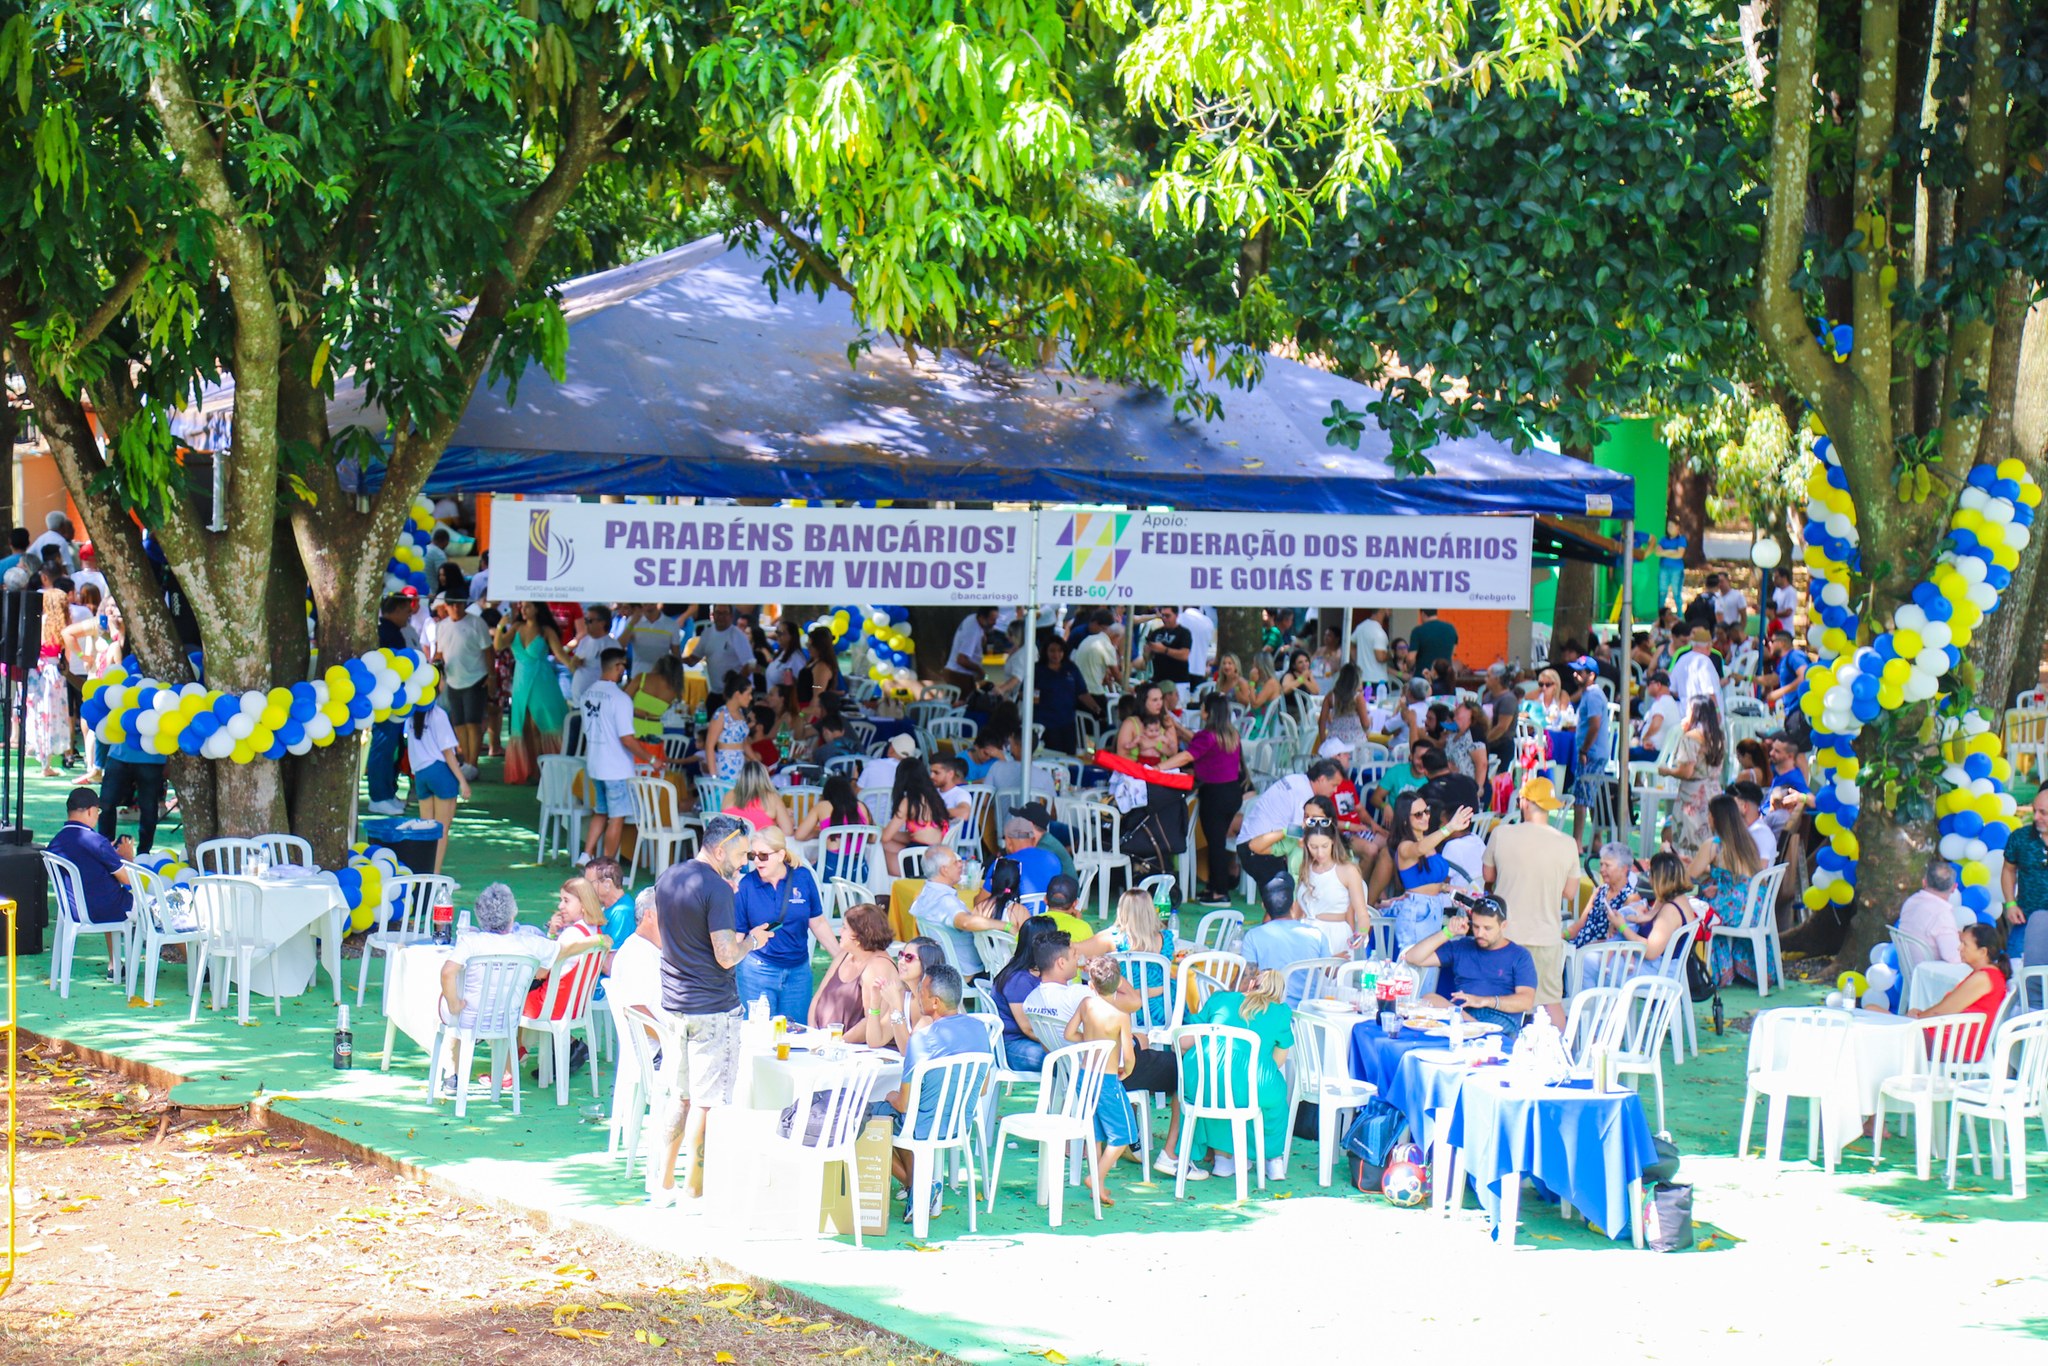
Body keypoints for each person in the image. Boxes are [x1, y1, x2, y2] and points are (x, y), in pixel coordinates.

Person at [649, 815, 767, 1206]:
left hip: (675, 1003)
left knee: (680, 1096)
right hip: (712, 1008)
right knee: (707, 1102)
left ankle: (663, 1185)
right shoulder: (717, 887)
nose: (746, 862)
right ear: (719, 849)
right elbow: (726, 955)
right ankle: (693, 1191)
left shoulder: (669, 877)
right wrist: (751, 940)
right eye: (740, 854)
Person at [878, 964, 990, 1216]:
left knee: (867, 1121)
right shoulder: (980, 1030)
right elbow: (982, 1088)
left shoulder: (922, 1040)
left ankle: (917, 1186)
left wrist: (889, 1096)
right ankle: (920, 1187)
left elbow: (904, 1104)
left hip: (921, 1126)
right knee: (899, 1117)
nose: (918, 995)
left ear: (936, 1002)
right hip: (959, 1124)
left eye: (922, 992)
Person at [1480, 776, 1577, 1026]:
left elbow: (1488, 877)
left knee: (1497, 1001)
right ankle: (1561, 1057)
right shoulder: (1567, 843)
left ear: (1524, 802)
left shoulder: (1501, 833)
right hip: (1546, 936)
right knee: (1550, 1002)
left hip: (1504, 936)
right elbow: (1570, 892)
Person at [1183, 965, 1294, 1182]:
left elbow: (1190, 1033)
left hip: (1207, 1075)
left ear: (1252, 984)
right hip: (1255, 1081)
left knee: (1218, 1092)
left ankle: (1223, 1159)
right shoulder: (1281, 1012)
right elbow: (1278, 1061)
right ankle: (1273, 1161)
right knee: (1274, 1101)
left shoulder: (1220, 999)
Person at [731, 827, 836, 1019]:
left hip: (798, 971)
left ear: (780, 855)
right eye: (753, 855)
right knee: (758, 1037)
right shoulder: (746, 885)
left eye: (763, 856)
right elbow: (738, 935)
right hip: (757, 970)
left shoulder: (803, 877)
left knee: (796, 1036)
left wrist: (840, 958)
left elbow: (818, 922)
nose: (756, 861)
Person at [1403, 894, 1537, 1041]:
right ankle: (1474, 1032)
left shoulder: (1519, 955)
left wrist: (1484, 1001)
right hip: (1463, 1017)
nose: (1480, 933)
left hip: (1500, 1022)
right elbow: (1413, 958)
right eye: (1476, 926)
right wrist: (1448, 932)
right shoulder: (1463, 946)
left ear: (1503, 925)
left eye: (1487, 928)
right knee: (1429, 998)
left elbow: (1526, 1001)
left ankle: (1478, 1034)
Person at [1062, 955, 1140, 1207]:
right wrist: (1126, 1071)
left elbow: (1069, 1033)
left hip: (1085, 1077)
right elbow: (1128, 1056)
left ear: (1091, 985)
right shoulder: (1120, 1016)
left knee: (1095, 1133)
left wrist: (1089, 1040)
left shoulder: (1086, 1004)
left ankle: (1098, 1183)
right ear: (1118, 986)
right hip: (1107, 1080)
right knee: (1124, 1135)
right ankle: (1096, 1177)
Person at [578, 648, 663, 865]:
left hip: (595, 763)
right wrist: (652, 759)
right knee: (616, 817)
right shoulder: (621, 698)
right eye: (623, 666)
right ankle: (606, 865)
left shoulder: (586, 694)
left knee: (600, 812)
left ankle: (586, 854)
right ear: (618, 667)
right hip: (616, 767)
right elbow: (627, 739)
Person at [1879, 923, 2008, 1061]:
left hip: (1953, 1046)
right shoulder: (1987, 975)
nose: (1959, 948)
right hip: (1949, 1040)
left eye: (1965, 944)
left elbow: (1942, 1011)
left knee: (1879, 1021)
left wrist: (1917, 1017)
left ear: (1983, 952)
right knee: (1877, 1015)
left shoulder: (1983, 978)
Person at [47, 787, 135, 974]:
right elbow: (128, 879)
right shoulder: (97, 841)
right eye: (98, 811)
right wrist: (127, 858)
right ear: (90, 811)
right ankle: (194, 963)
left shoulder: (55, 842)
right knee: (157, 908)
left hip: (73, 910)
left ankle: (114, 964)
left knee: (108, 893)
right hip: (105, 909)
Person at [1688, 794, 1772, 987]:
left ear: (1716, 818)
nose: (1707, 818)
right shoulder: (1746, 840)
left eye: (1709, 814)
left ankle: (1711, 971)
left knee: (1701, 910)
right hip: (1756, 907)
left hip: (1739, 911)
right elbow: (1736, 875)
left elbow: (1688, 877)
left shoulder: (1713, 844)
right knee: (1709, 901)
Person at [1234, 760, 1344, 896]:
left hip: (1255, 843)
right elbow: (1301, 835)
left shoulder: (1297, 780)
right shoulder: (1304, 795)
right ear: (1321, 779)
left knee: (1279, 905)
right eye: (1334, 785)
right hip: (1259, 849)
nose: (1335, 790)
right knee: (1282, 901)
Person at [1383, 793, 1474, 952]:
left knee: (1430, 969)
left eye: (1427, 811)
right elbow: (1419, 849)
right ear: (1405, 819)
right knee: (1416, 970)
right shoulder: (1405, 847)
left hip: (1434, 908)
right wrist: (1450, 827)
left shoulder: (1428, 843)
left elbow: (1428, 881)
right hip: (1416, 910)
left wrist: (1447, 888)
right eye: (1418, 814)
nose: (1425, 817)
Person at [809, 902, 905, 1046]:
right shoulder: (844, 955)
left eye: (845, 928)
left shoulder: (878, 966)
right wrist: (812, 1033)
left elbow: (871, 1020)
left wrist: (837, 1043)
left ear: (860, 935)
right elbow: (818, 997)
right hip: (820, 1042)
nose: (840, 931)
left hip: (851, 1049)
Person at [494, 601, 569, 786]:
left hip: (541, 680)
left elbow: (559, 653)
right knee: (523, 726)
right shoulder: (517, 627)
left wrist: (574, 666)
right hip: (521, 680)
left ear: (537, 608)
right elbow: (499, 645)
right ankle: (531, 769)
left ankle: (548, 769)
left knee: (542, 725)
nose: (523, 610)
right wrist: (500, 626)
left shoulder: (546, 631)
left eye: (527, 606)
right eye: (522, 607)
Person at [908, 846, 1006, 973]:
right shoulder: (945, 901)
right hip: (966, 971)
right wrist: (1006, 925)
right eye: (955, 862)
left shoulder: (926, 892)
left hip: (944, 967)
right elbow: (965, 922)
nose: (961, 864)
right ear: (944, 870)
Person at [405, 688, 471, 874]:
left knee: (425, 829)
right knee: (441, 831)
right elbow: (448, 753)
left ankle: (423, 872)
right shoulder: (438, 714)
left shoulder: (411, 713)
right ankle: (435, 875)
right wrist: (463, 781)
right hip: (440, 772)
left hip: (420, 774)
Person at [1187, 694, 1244, 905]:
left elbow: (1188, 756)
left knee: (1216, 843)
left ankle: (1220, 892)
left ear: (1206, 712)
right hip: (1232, 792)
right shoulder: (1231, 734)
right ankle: (1214, 886)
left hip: (1214, 794)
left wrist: (1159, 769)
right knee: (1218, 842)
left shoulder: (1206, 736)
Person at [1238, 873, 1328, 1001]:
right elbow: (1330, 971)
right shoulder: (1317, 935)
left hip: (1271, 1010)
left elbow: (1245, 984)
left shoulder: (1253, 936)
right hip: (1309, 1011)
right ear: (1293, 905)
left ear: (1264, 906)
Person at [993, 921, 1069, 1071]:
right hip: (1014, 1045)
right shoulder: (1018, 980)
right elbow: (1028, 1028)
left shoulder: (1035, 971)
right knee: (1066, 1061)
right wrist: (1062, 1043)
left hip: (1033, 1039)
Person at [1659, 694, 1725, 857]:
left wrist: (1667, 771)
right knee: (1709, 839)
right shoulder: (1719, 737)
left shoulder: (1691, 738)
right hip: (1714, 792)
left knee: (1689, 841)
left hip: (1693, 795)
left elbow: (1687, 771)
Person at [1294, 813, 1368, 956]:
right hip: (1306, 935)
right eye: (1313, 847)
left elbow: (1363, 914)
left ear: (1333, 841)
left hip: (1335, 936)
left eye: (1324, 846)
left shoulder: (1348, 871)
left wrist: (1362, 933)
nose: (1319, 852)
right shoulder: (1306, 867)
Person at [1613, 851, 1702, 965]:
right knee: (1591, 954)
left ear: (1659, 878)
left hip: (1654, 970)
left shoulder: (1670, 910)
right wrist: (1637, 915)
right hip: (1656, 965)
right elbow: (1650, 916)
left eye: (1650, 874)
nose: (1649, 880)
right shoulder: (1678, 899)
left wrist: (1622, 926)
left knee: (1587, 961)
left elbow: (1650, 952)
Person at [434, 598, 492, 774]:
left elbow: (488, 650)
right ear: (445, 607)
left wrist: (493, 675)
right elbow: (440, 652)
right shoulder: (442, 626)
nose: (455, 608)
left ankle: (473, 763)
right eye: (451, 605)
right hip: (452, 680)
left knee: (472, 722)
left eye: (458, 604)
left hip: (476, 678)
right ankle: (466, 761)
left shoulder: (476, 622)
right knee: (458, 723)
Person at [25, 587, 72, 778]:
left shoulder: (38, 622)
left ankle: (41, 757)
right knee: (52, 716)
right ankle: (47, 763)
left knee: (38, 714)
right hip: (53, 672)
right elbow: (66, 654)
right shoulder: (62, 626)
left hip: (36, 671)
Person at [1566, 654, 1610, 842]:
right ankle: (1597, 840)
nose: (1575, 674)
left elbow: (1594, 725)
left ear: (1591, 675)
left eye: (1580, 672)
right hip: (1595, 752)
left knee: (1581, 799)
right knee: (1592, 798)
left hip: (1590, 753)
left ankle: (1577, 842)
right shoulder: (1590, 694)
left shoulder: (1592, 696)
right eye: (1575, 671)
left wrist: (1584, 750)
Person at [882, 757, 952, 876]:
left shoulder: (909, 802)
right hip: (934, 856)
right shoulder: (934, 798)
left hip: (918, 861)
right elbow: (913, 835)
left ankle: (880, 887)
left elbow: (885, 837)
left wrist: (880, 829)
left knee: (880, 845)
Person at [2001, 789, 2048, 964]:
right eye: (2035, 810)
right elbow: (2008, 870)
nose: (2036, 817)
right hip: (2026, 918)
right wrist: (2011, 903)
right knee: (2015, 967)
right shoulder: (2020, 837)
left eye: (2043, 813)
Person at [1567, 842, 1643, 947]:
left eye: (1607, 865)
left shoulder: (1630, 898)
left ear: (1624, 869)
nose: (1601, 870)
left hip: (1597, 953)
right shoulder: (1600, 891)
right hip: (1578, 947)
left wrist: (1587, 947)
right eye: (1601, 864)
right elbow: (1580, 924)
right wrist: (1562, 935)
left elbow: (1618, 939)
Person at [1894, 859, 1963, 966]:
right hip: (1930, 976)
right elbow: (1953, 958)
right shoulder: (1942, 915)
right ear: (1954, 888)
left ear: (1924, 882)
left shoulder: (1911, 902)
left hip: (1909, 969)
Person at [699, 671, 755, 783]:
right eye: (748, 694)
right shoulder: (721, 714)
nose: (751, 698)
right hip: (726, 765)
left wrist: (756, 761)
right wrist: (714, 776)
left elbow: (743, 742)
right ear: (737, 694)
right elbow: (709, 745)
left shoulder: (740, 713)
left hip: (740, 763)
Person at [986, 815, 1061, 898]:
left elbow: (981, 902)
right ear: (1033, 839)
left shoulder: (1002, 865)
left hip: (1016, 910)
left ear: (1009, 842)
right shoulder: (1053, 859)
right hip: (1048, 910)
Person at [944, 606, 998, 694]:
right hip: (960, 675)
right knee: (967, 704)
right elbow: (961, 660)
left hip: (955, 673)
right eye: (992, 620)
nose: (995, 623)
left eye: (996, 619)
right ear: (982, 618)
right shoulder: (972, 632)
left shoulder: (973, 618)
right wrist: (980, 670)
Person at [1415, 744, 1481, 816]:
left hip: (1447, 827)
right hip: (1474, 825)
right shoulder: (1469, 781)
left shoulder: (1426, 791)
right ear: (1448, 765)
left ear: (1425, 772)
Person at [1631, 670, 1681, 762]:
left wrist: (1645, 737)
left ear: (1658, 685)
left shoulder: (1661, 702)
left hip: (1655, 753)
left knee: (1624, 754)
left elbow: (1656, 723)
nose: (1648, 687)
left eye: (1649, 684)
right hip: (1665, 754)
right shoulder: (1671, 702)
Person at [1727, 780, 1778, 864]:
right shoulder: (1752, 831)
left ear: (1744, 806)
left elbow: (1760, 873)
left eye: (1730, 805)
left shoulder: (1760, 834)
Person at [1668, 626, 1722, 704]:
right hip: (1704, 711)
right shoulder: (1705, 661)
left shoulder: (1682, 659)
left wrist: (1686, 698)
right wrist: (1717, 713)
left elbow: (1672, 688)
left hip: (1684, 710)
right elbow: (1711, 692)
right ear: (1708, 646)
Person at [1144, 605, 1194, 689]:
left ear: (1176, 615)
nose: (1164, 618)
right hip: (1158, 680)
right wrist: (1147, 652)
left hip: (1178, 681)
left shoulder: (1184, 633)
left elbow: (1184, 655)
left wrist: (1164, 650)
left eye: (1168, 616)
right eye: (1163, 615)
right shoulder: (1156, 633)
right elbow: (1147, 659)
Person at [1763, 627, 1810, 708]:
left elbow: (1805, 676)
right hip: (1790, 709)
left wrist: (1780, 692)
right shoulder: (1784, 660)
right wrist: (1747, 678)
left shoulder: (1795, 656)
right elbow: (1771, 679)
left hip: (1799, 709)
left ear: (1782, 643)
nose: (1769, 644)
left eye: (1772, 641)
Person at [859, 730, 917, 794]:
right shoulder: (913, 774)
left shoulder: (873, 765)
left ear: (892, 749)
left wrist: (854, 778)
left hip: (867, 804)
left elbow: (856, 793)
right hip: (897, 804)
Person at [1408, 608, 1458, 679]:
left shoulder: (1418, 631)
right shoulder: (1451, 629)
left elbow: (1410, 658)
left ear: (1423, 614)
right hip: (1445, 678)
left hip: (1423, 677)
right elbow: (1452, 652)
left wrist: (1409, 668)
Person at [1349, 607, 1391, 687]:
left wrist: (1357, 660)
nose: (1390, 612)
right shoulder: (1379, 633)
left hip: (1362, 678)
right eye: (1389, 609)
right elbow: (1380, 657)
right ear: (1383, 609)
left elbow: (1351, 644)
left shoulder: (1361, 627)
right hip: (1378, 680)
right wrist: (1391, 654)